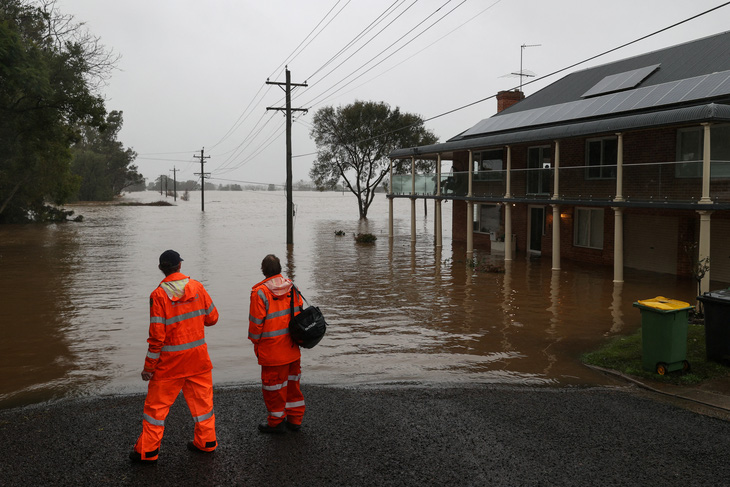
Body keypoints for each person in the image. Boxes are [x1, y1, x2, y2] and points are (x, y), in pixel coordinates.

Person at [129, 250, 219, 463]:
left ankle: (148, 452)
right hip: (198, 360)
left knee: (156, 410)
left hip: (169, 365)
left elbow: (157, 337)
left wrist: (149, 367)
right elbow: (213, 318)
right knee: (203, 406)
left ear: (162, 268)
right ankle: (206, 443)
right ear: (179, 266)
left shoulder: (158, 295)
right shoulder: (197, 287)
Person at [248, 254, 305, 433]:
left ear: (263, 271)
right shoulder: (292, 287)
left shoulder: (260, 292)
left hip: (272, 351)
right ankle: (295, 420)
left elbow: (256, 325)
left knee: (273, 389)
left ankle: (276, 422)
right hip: (292, 347)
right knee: (293, 386)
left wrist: (255, 343)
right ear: (280, 268)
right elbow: (299, 313)